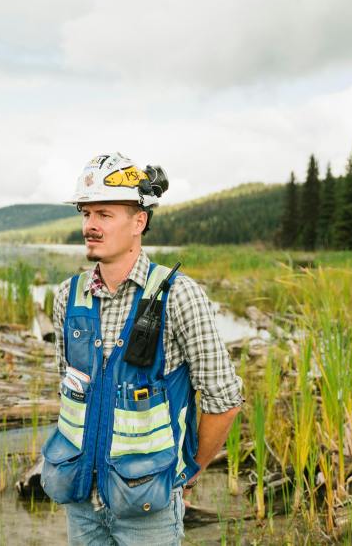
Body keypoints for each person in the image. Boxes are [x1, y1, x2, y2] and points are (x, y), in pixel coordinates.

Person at [41, 152, 243, 546]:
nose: (90, 226)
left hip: (148, 513)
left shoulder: (179, 296)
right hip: (80, 502)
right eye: (86, 214)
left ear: (139, 221)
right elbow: (68, 393)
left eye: (104, 214)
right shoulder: (69, 295)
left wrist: (187, 474)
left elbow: (225, 399)